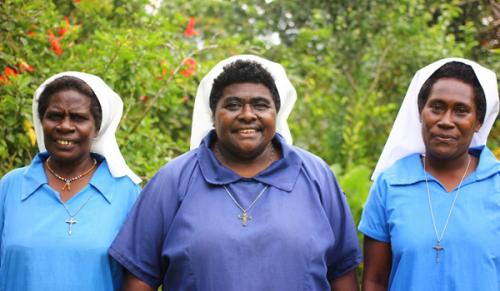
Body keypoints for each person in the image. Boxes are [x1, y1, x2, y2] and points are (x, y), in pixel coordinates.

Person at [109, 55, 362, 291]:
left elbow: (342, 273)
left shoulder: (317, 176)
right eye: (233, 105)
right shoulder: (172, 180)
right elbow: (139, 279)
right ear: (213, 115)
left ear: (276, 113)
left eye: (261, 105)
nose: (247, 115)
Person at [359, 58, 499, 290]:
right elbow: (375, 280)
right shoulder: (390, 185)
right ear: (421, 113)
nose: (446, 121)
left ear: (478, 122)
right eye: (437, 107)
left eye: (461, 111)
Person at [0, 72, 142, 290]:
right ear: (42, 122)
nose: (65, 126)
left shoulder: (126, 193)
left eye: (78, 117)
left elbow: (138, 279)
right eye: (55, 116)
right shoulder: (10, 187)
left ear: (97, 127)